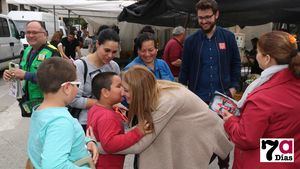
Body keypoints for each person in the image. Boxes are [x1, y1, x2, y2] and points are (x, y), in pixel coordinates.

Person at [96, 65, 232, 169]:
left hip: (204, 135)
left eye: (126, 90)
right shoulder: (153, 89)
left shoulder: (167, 102)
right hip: (190, 131)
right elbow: (139, 132)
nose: (122, 93)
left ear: (139, 91)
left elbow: (140, 144)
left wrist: (98, 146)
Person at [222, 31, 300, 169]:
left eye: (258, 52)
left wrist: (230, 121)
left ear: (267, 58)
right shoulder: (294, 80)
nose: (256, 56)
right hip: (288, 155)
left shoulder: (263, 97)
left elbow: (245, 138)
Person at [179, 1, 240, 167]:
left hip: (222, 98)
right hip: (198, 99)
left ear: (216, 14)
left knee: (223, 136)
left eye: (208, 17)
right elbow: (184, 69)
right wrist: (183, 92)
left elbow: (236, 63)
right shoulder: (191, 41)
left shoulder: (228, 38)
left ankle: (223, 165)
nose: (204, 21)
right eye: (200, 18)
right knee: (199, 138)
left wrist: (234, 87)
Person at [27, 57, 98, 168]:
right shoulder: (61, 122)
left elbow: (50, 138)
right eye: (77, 84)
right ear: (67, 88)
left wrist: (87, 140)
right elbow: (54, 166)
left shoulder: (41, 111)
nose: (77, 88)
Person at [87, 72, 151, 169]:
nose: (123, 90)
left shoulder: (96, 109)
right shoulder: (107, 116)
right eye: (119, 86)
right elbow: (109, 144)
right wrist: (138, 132)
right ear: (105, 92)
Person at [3, 20, 60, 117]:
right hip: (30, 101)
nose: (30, 35)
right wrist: (11, 74)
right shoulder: (27, 50)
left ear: (44, 34)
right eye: (28, 32)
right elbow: (22, 70)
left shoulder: (53, 52)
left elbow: (53, 80)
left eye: (34, 32)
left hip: (47, 103)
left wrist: (26, 75)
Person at [70, 28, 121, 131]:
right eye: (107, 50)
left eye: (114, 52)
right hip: (85, 123)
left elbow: (118, 94)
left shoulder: (114, 66)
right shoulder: (80, 66)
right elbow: (73, 100)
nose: (110, 55)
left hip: (109, 121)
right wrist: (105, 103)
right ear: (97, 44)